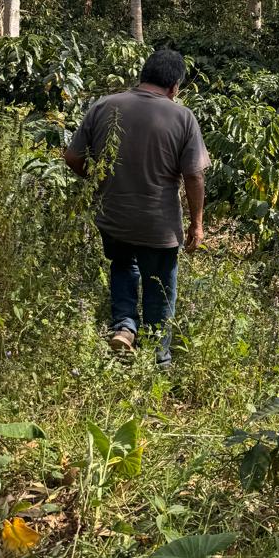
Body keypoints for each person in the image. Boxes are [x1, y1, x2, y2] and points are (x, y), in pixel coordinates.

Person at [64, 48, 209, 366]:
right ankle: (158, 358)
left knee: (123, 265)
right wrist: (197, 223)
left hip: (113, 217)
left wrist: (99, 179)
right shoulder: (182, 117)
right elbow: (194, 174)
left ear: (143, 76)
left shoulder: (105, 105)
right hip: (158, 226)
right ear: (175, 87)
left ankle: (125, 327)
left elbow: (72, 157)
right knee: (160, 284)